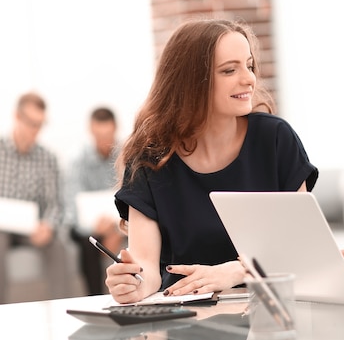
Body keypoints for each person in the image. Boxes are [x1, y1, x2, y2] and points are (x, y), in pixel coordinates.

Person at [105, 18, 318, 304]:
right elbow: (146, 267)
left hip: (269, 315)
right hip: (185, 318)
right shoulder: (149, 157)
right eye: (230, 70)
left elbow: (301, 249)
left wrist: (238, 271)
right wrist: (133, 285)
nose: (249, 78)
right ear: (192, 81)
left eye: (249, 65)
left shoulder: (275, 139)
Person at [0, 92, 69, 303]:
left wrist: (47, 225)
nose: (35, 130)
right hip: (1, 227)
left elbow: (55, 204)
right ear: (17, 117)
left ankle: (62, 311)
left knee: (57, 247)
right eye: (31, 123)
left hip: (32, 227)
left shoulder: (47, 158)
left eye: (40, 124)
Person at [66, 107, 125, 295]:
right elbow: (72, 209)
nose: (104, 142)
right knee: (86, 241)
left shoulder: (127, 155)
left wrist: (118, 229)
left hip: (122, 224)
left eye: (108, 135)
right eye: (99, 136)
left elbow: (137, 198)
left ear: (115, 129)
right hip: (90, 228)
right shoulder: (78, 161)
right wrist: (95, 228)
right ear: (91, 130)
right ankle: (94, 296)